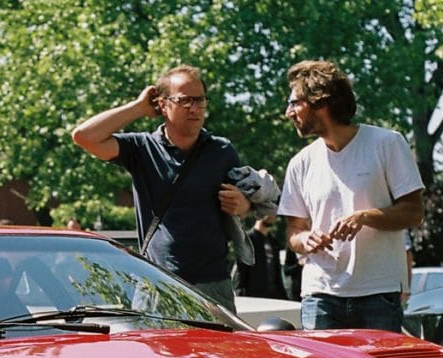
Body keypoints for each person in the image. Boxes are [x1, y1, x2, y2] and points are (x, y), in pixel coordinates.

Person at [72, 64, 250, 309]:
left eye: (200, 100)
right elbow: (84, 136)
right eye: (185, 100)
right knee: (153, 350)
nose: (195, 108)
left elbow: (244, 211)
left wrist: (243, 205)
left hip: (213, 286)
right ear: (163, 104)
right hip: (158, 285)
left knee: (214, 350)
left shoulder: (222, 151)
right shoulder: (142, 148)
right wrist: (138, 107)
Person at [277, 60, 424, 331]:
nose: (288, 112)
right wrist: (304, 239)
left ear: (319, 101)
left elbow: (414, 212)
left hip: (378, 292)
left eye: (294, 102)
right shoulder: (301, 162)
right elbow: (293, 233)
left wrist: (364, 217)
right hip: (319, 294)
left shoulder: (387, 143)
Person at [233, 214, 286, 299]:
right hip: (253, 296)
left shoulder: (273, 241)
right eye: (267, 211)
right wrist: (239, 294)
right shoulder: (248, 239)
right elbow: (240, 270)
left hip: (274, 296)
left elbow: (277, 272)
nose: (271, 215)